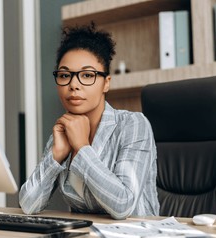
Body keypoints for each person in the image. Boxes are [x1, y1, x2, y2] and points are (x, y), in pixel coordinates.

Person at [19, 23, 159, 220]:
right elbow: (28, 204)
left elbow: (123, 205)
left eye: (87, 75)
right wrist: (56, 156)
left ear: (106, 83)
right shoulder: (61, 133)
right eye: (65, 75)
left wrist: (82, 148)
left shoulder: (133, 125)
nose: (73, 85)